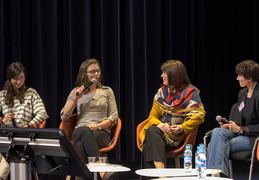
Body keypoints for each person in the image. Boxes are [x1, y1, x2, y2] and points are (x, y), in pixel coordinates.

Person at [139, 60, 206, 169]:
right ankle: (162, 175)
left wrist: (181, 127)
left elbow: (198, 116)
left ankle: (160, 176)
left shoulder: (190, 93)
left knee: (149, 141)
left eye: (165, 72)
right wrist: (160, 125)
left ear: (174, 74)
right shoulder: (161, 93)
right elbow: (152, 117)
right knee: (152, 132)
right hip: (160, 134)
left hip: (178, 136)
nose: (162, 76)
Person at [60, 58, 118, 180]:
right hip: (79, 131)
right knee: (84, 131)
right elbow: (64, 116)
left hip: (101, 132)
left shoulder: (107, 91)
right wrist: (76, 98)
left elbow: (114, 116)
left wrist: (98, 126)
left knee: (81, 145)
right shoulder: (76, 92)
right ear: (84, 74)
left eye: (98, 71)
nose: (96, 74)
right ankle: (102, 169)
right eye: (92, 72)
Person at [207, 60, 259, 177]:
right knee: (217, 131)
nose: (237, 78)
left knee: (213, 145)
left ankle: (215, 176)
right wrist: (230, 125)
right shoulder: (242, 93)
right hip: (242, 132)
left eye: (240, 76)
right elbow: (243, 119)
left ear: (249, 79)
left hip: (254, 137)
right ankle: (217, 175)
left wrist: (241, 129)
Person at [0, 61, 49, 128]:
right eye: (16, 79)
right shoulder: (2, 95)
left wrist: (29, 125)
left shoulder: (31, 93)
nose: (19, 81)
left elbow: (42, 113)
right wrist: (2, 120)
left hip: (24, 132)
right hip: (6, 132)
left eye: (21, 77)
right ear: (9, 79)